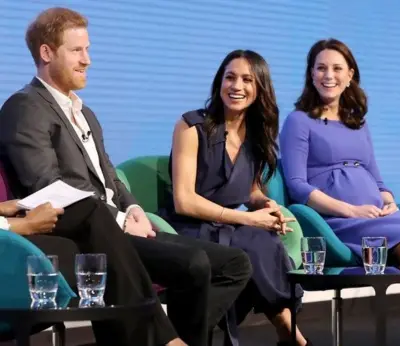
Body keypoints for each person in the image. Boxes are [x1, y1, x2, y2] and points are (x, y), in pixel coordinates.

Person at [0, 7, 252, 346]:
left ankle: (176, 339)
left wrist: (132, 208)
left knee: (234, 263)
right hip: (83, 229)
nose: (87, 59)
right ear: (46, 53)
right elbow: (47, 187)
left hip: (117, 221)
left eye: (88, 50)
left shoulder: (84, 112)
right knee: (192, 263)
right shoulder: (25, 107)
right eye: (77, 50)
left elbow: (111, 179)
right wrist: (119, 220)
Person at [279, 38, 400, 346]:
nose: (329, 75)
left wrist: (388, 201)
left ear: (350, 75)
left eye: (337, 68)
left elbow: (377, 179)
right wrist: (350, 210)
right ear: (310, 74)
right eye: (321, 68)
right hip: (337, 221)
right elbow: (297, 186)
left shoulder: (357, 122)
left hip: (375, 214)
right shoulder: (298, 121)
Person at [159, 49, 310, 346]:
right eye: (230, 77)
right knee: (255, 241)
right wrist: (248, 218)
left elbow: (250, 189)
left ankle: (288, 332)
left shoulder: (255, 134)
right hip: (190, 226)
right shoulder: (191, 127)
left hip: (228, 226)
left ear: (260, 88)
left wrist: (266, 205)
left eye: (246, 80)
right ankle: (290, 332)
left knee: (263, 240)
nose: (236, 86)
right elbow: (184, 200)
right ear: (219, 83)